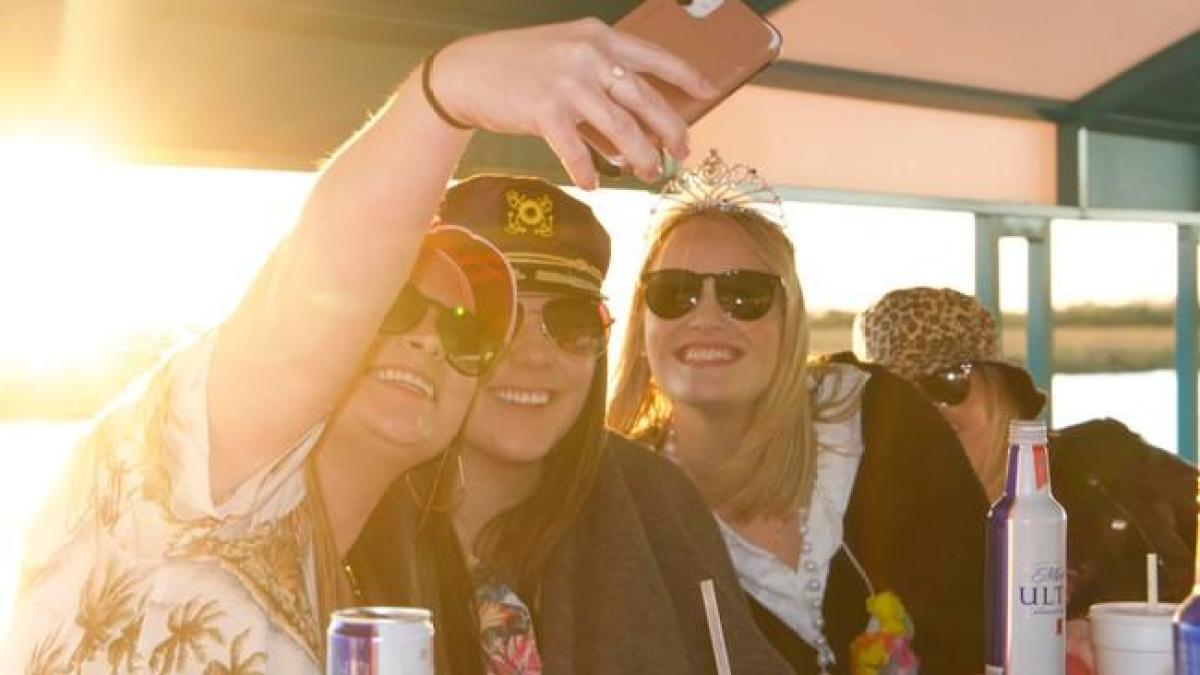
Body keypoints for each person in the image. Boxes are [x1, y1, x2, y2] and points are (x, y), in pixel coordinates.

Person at [3, 18, 719, 674]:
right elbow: (308, 301)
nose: (429, 340)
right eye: (397, 301)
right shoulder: (183, 478)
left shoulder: (386, 589)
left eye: (468, 331)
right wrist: (446, 96)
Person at [348, 175, 792, 675]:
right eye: (499, 318)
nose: (535, 355)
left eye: (572, 323)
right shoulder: (345, 516)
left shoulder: (656, 500)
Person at [607, 151, 988, 674]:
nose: (708, 316)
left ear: (789, 319)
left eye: (745, 294)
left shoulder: (882, 422)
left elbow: (988, 615)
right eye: (676, 293)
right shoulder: (626, 501)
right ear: (642, 321)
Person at [854, 286, 1198, 673]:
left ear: (1001, 384)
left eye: (946, 381)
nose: (929, 412)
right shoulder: (875, 536)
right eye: (901, 399)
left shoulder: (1104, 459)